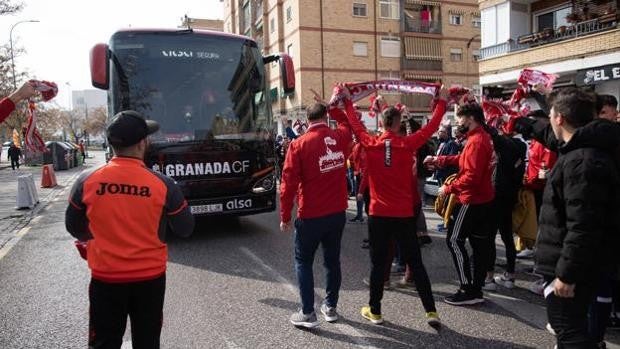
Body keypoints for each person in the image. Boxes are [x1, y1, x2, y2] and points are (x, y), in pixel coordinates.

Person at [65, 110, 194, 348]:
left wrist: (101, 238)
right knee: (147, 341)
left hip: (105, 278)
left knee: (104, 342)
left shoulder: (87, 180)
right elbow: (185, 228)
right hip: (150, 280)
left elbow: (73, 227)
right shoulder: (164, 184)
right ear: (143, 142)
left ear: (111, 143)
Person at [343, 88, 448, 328]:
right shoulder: (408, 144)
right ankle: (430, 311)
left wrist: (348, 102)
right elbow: (431, 127)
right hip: (403, 215)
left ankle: (375, 311)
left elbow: (355, 125)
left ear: (381, 122)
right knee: (416, 262)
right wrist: (441, 103)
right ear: (399, 122)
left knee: (378, 265)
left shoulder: (370, 143)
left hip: (379, 214)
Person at [532, 88, 620, 349]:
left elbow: (583, 224)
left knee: (570, 334)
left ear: (559, 118)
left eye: (550, 114)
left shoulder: (582, 161)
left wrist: (566, 275)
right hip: (578, 264)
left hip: (575, 270)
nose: (548, 119)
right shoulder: (580, 152)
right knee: (571, 332)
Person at [279, 102, 351, 328]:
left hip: (310, 214)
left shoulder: (298, 144)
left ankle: (308, 312)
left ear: (307, 120)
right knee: (332, 261)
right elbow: (346, 123)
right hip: (337, 212)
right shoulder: (339, 137)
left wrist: (285, 216)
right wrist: (336, 107)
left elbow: (287, 184)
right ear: (325, 116)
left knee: (303, 261)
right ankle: (330, 307)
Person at [425, 103, 495, 306]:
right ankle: (476, 289)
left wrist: (447, 189)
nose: (457, 123)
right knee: (479, 245)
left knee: (455, 240)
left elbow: (470, 177)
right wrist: (440, 160)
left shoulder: (476, 141)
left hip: (470, 200)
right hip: (483, 199)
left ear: (470, 118)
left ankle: (467, 288)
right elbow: (464, 159)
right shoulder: (480, 138)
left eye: (459, 119)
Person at [482, 124, 526, 291]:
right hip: (509, 198)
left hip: (496, 197)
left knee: (490, 237)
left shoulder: (510, 145)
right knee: (508, 238)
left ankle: (489, 277)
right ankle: (510, 275)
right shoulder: (521, 147)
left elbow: (498, 139)